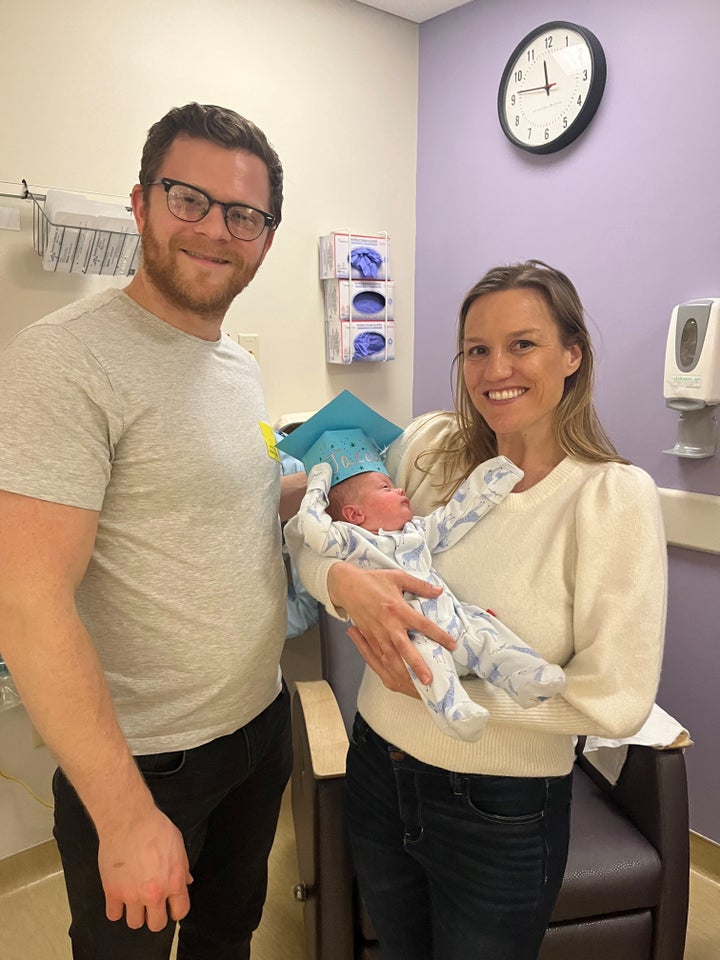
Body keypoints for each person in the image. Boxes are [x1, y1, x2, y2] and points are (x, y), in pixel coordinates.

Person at [0, 103, 445, 960]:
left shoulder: (234, 364)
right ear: (140, 203)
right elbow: (27, 603)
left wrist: (334, 501)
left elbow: (227, 498)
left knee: (226, 936)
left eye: (244, 214)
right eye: (188, 199)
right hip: (148, 763)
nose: (216, 230)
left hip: (257, 728)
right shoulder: (66, 361)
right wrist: (125, 815)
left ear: (266, 239)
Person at [285, 260, 667, 960]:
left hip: (502, 809)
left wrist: (452, 695)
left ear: (572, 355)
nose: (496, 369)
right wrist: (347, 584)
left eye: (523, 344)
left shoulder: (610, 499)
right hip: (375, 774)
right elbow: (311, 544)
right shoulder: (428, 453)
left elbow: (619, 700)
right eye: (477, 349)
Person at [282, 391, 566, 741]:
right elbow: (308, 531)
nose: (401, 490)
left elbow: (452, 518)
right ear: (356, 514)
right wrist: (318, 484)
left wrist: (491, 481)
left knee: (485, 631)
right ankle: (454, 710)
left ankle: (527, 676)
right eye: (386, 487)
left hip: (452, 616)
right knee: (429, 659)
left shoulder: (415, 531)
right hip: (413, 632)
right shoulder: (350, 541)